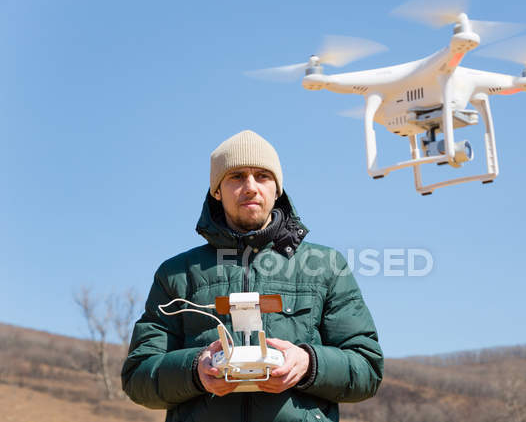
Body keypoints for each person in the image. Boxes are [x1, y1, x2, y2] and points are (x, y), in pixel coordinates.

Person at [121, 130, 383, 422]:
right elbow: (138, 377)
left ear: (277, 189)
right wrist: (196, 370)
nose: (250, 187)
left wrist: (308, 364)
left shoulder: (326, 266)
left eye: (262, 176)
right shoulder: (177, 274)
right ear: (216, 191)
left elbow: (367, 367)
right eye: (236, 177)